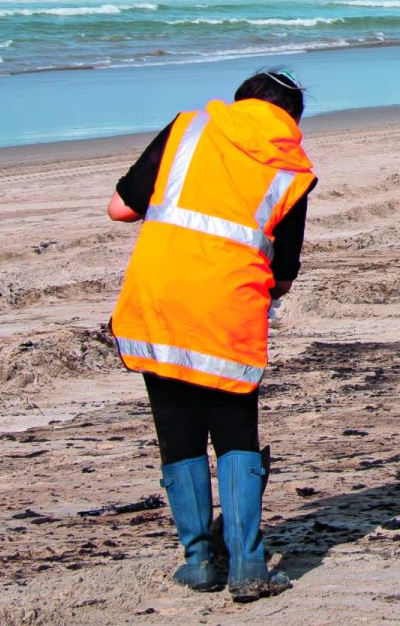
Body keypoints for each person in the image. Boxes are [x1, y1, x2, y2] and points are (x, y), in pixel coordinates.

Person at [108, 69, 315, 601]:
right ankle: (248, 564)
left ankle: (198, 560)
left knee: (177, 430)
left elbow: (120, 209)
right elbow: (284, 275)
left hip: (159, 298)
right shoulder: (293, 170)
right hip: (227, 308)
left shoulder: (188, 127)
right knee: (235, 432)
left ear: (238, 102)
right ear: (291, 120)